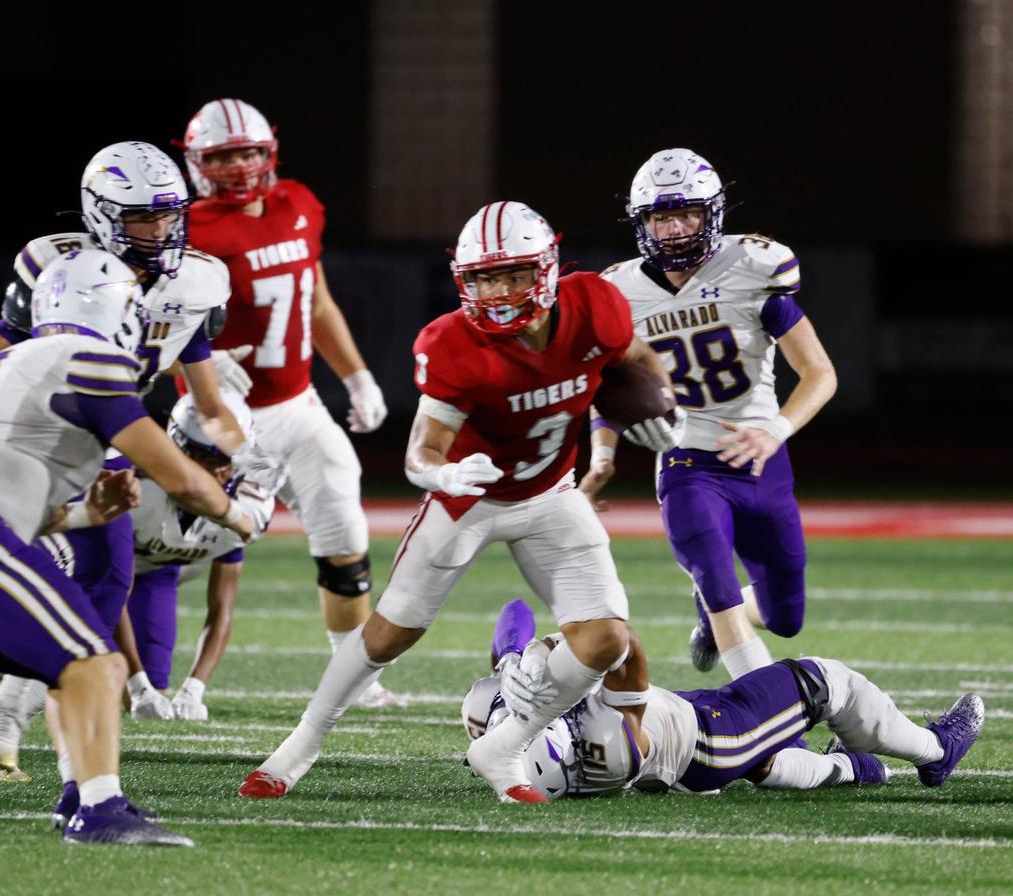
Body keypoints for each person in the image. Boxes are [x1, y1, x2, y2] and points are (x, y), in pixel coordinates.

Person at [237, 200, 682, 803]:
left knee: (608, 640)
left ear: (546, 271)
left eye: (513, 275)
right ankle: (301, 745)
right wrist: (442, 476)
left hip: (552, 492)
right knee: (387, 635)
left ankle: (505, 746)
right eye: (483, 278)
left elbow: (633, 359)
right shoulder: (452, 344)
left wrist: (665, 404)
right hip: (469, 499)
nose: (498, 292)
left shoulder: (594, 306)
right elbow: (421, 451)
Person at [0, 249, 258, 845]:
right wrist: (239, 515)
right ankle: (100, 810)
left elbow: (17, 493)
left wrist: (93, 511)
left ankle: (76, 797)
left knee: (72, 661)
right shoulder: (87, 360)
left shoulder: (0, 366)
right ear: (113, 307)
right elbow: (182, 478)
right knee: (98, 662)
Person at [0, 141, 264, 784]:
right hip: (29, 444)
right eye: (144, 217)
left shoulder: (192, 283)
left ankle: (4, 712)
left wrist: (243, 449)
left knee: (103, 582)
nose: (162, 230)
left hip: (101, 438)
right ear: (102, 216)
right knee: (80, 580)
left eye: (170, 214)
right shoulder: (62, 273)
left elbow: (209, 405)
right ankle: (2, 700)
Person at [180, 99, 402, 709]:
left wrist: (357, 377)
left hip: (299, 406)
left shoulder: (298, 205)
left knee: (344, 525)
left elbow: (318, 300)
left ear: (269, 152)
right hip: (220, 416)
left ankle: (354, 678)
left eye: (247, 151)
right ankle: (31, 660)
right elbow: (157, 320)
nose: (237, 166)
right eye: (221, 155)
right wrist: (195, 359)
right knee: (171, 554)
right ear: (199, 163)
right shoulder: (189, 230)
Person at [585, 148, 837, 679]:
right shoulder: (619, 292)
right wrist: (602, 455)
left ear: (712, 214)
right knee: (715, 572)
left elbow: (820, 372)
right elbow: (608, 385)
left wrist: (775, 429)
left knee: (784, 616)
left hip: (761, 457)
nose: (675, 230)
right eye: (661, 217)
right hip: (685, 458)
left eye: (687, 214)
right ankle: (769, 713)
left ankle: (713, 615)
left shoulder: (752, 268)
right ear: (642, 224)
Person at [463, 600, 985, 799]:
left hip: (683, 750)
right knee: (824, 681)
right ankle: (937, 752)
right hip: (712, 736)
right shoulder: (604, 740)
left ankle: (854, 770)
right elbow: (623, 647)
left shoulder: (506, 728)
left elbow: (510, 614)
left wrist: (511, 660)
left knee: (768, 761)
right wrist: (548, 650)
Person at [128, 388, 278, 720]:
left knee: (141, 696)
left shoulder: (249, 504)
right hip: (88, 571)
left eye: (222, 459)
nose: (213, 472)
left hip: (159, 571)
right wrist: (136, 684)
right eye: (201, 457)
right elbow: (108, 588)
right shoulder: (136, 487)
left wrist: (194, 687)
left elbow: (222, 606)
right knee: (59, 666)